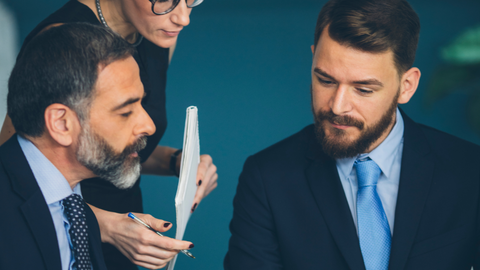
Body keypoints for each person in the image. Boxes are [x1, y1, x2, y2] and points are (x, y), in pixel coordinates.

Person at [224, 0, 480, 269]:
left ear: (407, 86)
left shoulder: (470, 170)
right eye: (325, 80)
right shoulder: (267, 177)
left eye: (363, 89)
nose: (337, 106)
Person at [0, 0, 218, 269]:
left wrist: (176, 161)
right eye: (165, 0)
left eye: (192, 0)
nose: (183, 18)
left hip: (123, 222)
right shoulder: (64, 43)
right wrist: (101, 225)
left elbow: (105, 142)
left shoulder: (157, 31)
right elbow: (20, 170)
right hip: (58, 224)